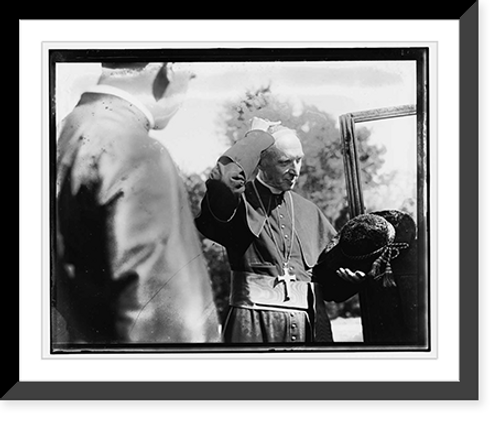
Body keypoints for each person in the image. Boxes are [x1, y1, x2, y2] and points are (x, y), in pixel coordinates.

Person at [54, 62, 221, 345]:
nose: (192, 78)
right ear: (169, 67)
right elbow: (167, 328)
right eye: (191, 68)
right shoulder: (138, 152)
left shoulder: (61, 131)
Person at [195, 117, 363, 344]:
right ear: (261, 163)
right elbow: (223, 183)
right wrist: (255, 139)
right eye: (285, 162)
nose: (295, 171)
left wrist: (349, 281)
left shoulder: (309, 211)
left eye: (299, 161)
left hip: (309, 326)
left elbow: (329, 282)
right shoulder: (241, 204)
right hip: (254, 325)